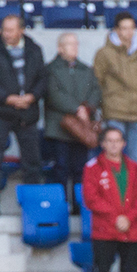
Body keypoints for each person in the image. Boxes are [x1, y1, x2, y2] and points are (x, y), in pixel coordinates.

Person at [0, 14, 46, 217]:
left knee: (32, 163)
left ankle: (32, 210)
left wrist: (32, 96)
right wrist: (7, 98)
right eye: (4, 30)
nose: (6, 34)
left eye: (11, 30)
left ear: (21, 30)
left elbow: (43, 78)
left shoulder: (34, 49)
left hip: (27, 113)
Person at [82, 127, 137, 272]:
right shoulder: (93, 167)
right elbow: (91, 198)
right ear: (103, 143)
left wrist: (128, 217)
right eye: (109, 141)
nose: (113, 145)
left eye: (117, 141)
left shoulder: (134, 167)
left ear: (124, 143)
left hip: (130, 228)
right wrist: (116, 217)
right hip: (105, 229)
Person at [44, 32, 103, 214]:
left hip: (82, 129)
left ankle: (79, 207)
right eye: (70, 44)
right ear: (60, 48)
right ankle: (61, 207)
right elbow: (53, 94)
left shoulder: (86, 69)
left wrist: (88, 108)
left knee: (80, 169)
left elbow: (96, 91)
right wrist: (77, 108)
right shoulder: (50, 70)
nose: (75, 47)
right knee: (60, 168)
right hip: (59, 128)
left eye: (76, 44)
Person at [94, 12, 137, 164]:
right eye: (124, 28)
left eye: (131, 28)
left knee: (135, 158)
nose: (129, 32)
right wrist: (106, 103)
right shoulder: (104, 53)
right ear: (116, 30)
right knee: (113, 156)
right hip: (115, 112)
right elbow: (97, 82)